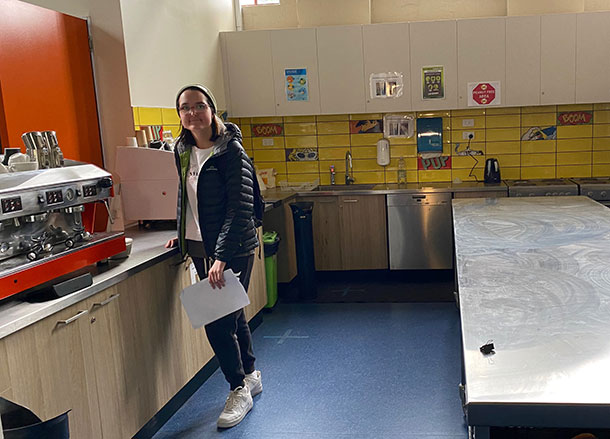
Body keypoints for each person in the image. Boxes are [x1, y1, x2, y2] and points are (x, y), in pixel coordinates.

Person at [165, 84, 262, 429]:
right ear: (180, 114)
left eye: (199, 105)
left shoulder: (229, 152)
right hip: (199, 244)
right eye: (185, 107)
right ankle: (249, 374)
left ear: (212, 110)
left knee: (217, 320)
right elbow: (186, 198)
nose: (192, 113)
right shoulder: (181, 150)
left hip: (233, 247)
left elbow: (239, 208)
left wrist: (220, 255)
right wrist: (180, 234)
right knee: (231, 315)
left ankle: (238, 390)